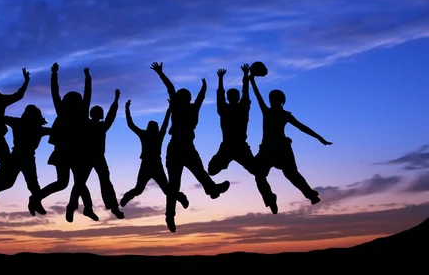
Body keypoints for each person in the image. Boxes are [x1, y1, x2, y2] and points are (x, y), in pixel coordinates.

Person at [150, 62, 230, 233]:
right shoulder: (179, 107)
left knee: (199, 172)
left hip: (186, 146)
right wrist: (161, 73)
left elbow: (195, 97)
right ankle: (170, 215)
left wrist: (204, 88)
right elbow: (171, 88)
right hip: (177, 146)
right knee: (174, 184)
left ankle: (212, 189)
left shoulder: (190, 108)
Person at [249, 73, 333, 214]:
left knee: (283, 175)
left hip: (275, 149)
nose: (271, 101)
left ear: (280, 101)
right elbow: (258, 96)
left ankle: (309, 195)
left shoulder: (275, 113)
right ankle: (302, 196)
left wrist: (319, 137)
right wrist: (319, 138)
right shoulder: (276, 113)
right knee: (285, 175)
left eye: (273, 99)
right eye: (271, 99)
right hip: (274, 149)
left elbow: (302, 127)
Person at [29, 63, 97, 221]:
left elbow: (59, 94)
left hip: (74, 152)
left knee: (74, 182)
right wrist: (87, 78)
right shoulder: (68, 112)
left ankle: (84, 208)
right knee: (69, 182)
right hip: (66, 152)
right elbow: (61, 94)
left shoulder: (74, 112)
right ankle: (37, 199)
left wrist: (55, 74)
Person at [65, 89, 124, 223]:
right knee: (83, 183)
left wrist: (115, 101)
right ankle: (72, 206)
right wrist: (115, 101)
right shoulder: (88, 124)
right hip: (88, 156)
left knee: (93, 182)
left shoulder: (96, 125)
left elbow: (111, 116)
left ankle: (112, 206)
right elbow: (110, 117)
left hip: (95, 157)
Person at [120, 99, 190, 210]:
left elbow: (132, 124)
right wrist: (127, 110)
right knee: (142, 189)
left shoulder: (153, 135)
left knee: (164, 190)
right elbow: (131, 125)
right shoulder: (149, 135)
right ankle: (126, 197)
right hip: (148, 164)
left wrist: (169, 109)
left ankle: (181, 197)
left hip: (154, 165)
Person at [0, 104, 51, 211]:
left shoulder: (36, 128)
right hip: (17, 156)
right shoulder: (21, 123)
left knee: (32, 183)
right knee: (8, 182)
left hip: (27, 158)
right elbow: (1, 118)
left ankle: (36, 203)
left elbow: (55, 131)